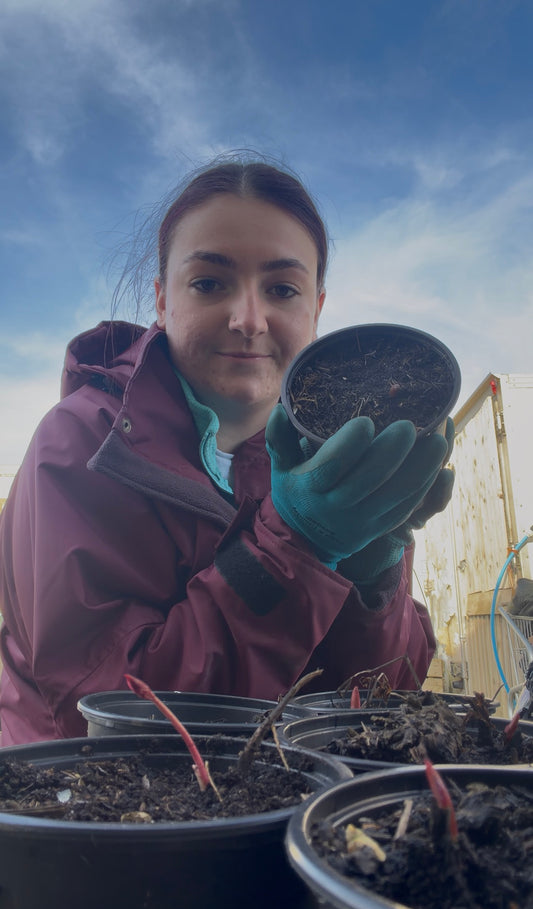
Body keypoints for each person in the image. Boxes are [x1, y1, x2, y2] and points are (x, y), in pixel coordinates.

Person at [0, 156, 454, 744]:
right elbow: (108, 712)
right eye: (210, 283)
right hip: (94, 819)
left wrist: (375, 577)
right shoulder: (80, 445)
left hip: (277, 803)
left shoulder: (330, 462)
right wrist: (296, 547)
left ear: (316, 310)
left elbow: (377, 704)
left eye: (282, 289)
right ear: (162, 301)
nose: (248, 318)